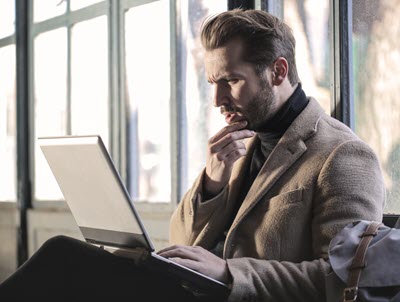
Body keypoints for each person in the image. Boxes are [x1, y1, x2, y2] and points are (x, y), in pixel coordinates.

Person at [0, 9, 384, 302]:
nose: (218, 101)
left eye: (231, 81)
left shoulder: (343, 155)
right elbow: (181, 240)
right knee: (68, 261)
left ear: (278, 71)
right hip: (189, 291)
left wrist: (230, 273)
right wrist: (213, 182)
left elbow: (347, 280)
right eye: (213, 84)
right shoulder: (242, 140)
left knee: (64, 259)